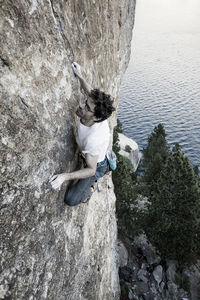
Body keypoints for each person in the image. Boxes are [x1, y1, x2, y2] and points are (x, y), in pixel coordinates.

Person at [50, 62, 115, 206]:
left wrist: (64, 177)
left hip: (96, 165)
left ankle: (90, 189)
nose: (81, 106)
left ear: (96, 117)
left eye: (87, 107)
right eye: (85, 102)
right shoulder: (95, 112)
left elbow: (91, 170)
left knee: (71, 199)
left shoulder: (94, 139)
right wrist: (79, 75)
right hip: (90, 152)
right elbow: (89, 92)